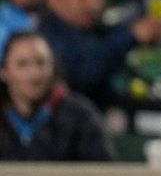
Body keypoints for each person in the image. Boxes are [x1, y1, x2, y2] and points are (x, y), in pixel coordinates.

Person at [0, 31, 114, 161]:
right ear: (3, 71)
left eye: (41, 63)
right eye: (22, 64)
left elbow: (104, 172)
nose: (33, 74)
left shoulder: (80, 116)